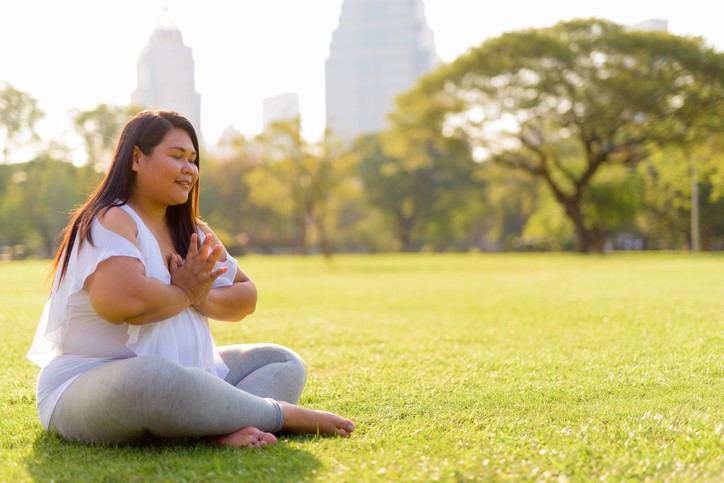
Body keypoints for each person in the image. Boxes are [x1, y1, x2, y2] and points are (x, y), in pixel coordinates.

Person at [27, 108, 354, 448]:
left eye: (193, 160)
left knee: (281, 361)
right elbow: (119, 303)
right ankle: (280, 415)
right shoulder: (111, 219)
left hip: (190, 375)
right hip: (93, 384)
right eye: (177, 156)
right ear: (137, 158)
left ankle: (219, 427)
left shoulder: (192, 230)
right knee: (154, 377)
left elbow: (246, 296)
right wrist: (183, 291)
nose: (189, 169)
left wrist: (201, 296)